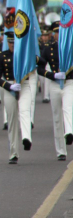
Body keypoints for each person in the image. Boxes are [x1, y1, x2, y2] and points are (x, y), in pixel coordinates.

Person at [0, 31, 33, 164]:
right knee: (12, 121)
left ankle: (26, 138)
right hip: (9, 86)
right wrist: (9, 86)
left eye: (14, 42)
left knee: (24, 111)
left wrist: (33, 55)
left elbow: (42, 62)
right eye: (10, 42)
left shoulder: (25, 54)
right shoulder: (2, 56)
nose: (12, 45)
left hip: (24, 84)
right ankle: (13, 153)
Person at [37, 21, 71, 160]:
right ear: (53, 34)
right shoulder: (48, 48)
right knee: (57, 118)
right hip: (55, 83)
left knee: (68, 109)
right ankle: (61, 150)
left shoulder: (70, 46)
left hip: (69, 82)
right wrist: (52, 75)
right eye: (56, 32)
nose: (58, 34)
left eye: (60, 31)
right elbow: (40, 68)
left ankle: (69, 132)